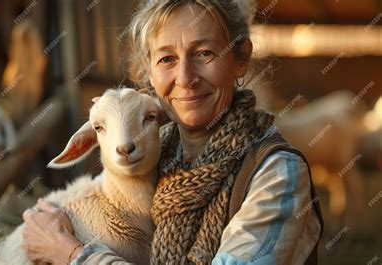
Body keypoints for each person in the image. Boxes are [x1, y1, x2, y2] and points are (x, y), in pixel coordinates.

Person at [21, 0, 323, 264]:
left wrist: (71, 254)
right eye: (167, 59)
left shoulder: (276, 175)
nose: (185, 78)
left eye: (204, 53)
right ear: (147, 71)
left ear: (240, 59)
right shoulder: (154, 153)